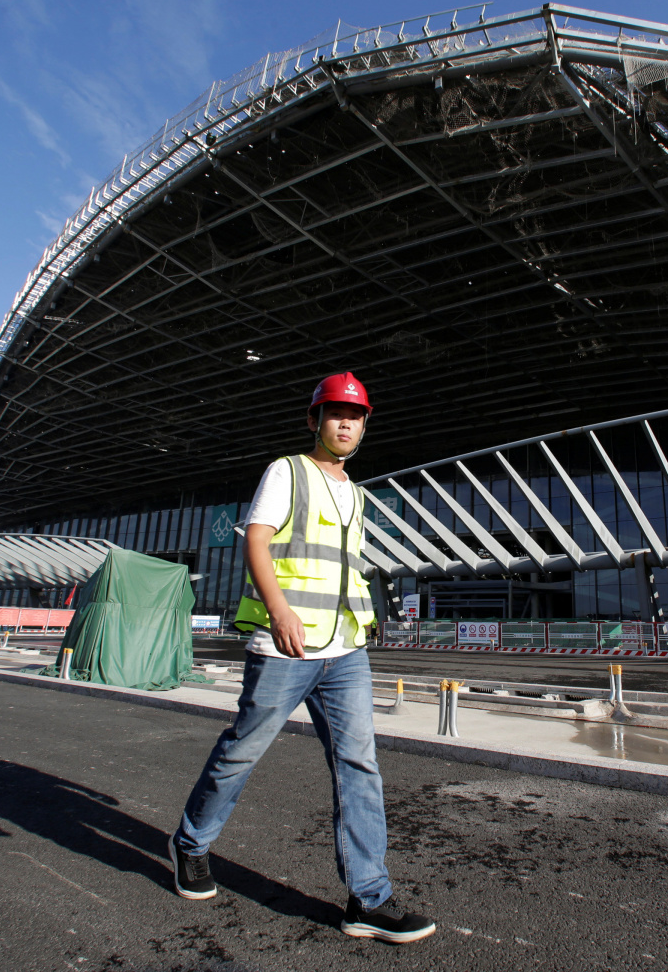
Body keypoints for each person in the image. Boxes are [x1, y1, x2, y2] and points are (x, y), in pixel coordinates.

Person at [168, 372, 435, 944]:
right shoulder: (287, 471)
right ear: (314, 419)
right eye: (335, 412)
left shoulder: (358, 494)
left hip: (345, 651)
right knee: (242, 751)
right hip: (285, 644)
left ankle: (369, 897)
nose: (345, 421)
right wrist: (280, 610)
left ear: (365, 424)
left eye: (356, 414)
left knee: (359, 766)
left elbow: (343, 568)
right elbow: (257, 540)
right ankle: (190, 844)